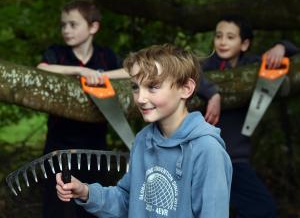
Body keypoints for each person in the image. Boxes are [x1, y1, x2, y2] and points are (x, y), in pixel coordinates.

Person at [55, 44, 233, 218]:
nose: (140, 98)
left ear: (185, 89)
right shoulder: (143, 140)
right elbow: (127, 200)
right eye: (135, 87)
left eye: (153, 87)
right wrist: (85, 192)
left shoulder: (207, 150)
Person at [197, 14, 299, 218]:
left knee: (258, 208)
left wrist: (281, 47)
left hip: (237, 160)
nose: (222, 41)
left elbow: (293, 53)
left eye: (230, 37)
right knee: (260, 208)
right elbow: (186, 71)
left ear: (244, 44)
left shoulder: (252, 65)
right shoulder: (206, 65)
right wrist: (213, 93)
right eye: (219, 36)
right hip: (211, 157)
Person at [37, 0, 127, 218]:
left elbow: (130, 72)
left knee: (93, 204)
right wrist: (80, 72)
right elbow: (42, 68)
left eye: (73, 24)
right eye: (63, 25)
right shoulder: (57, 53)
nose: (66, 30)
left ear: (93, 27)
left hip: (95, 147)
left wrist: (101, 76)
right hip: (59, 146)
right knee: (57, 206)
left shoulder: (105, 57)